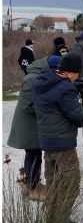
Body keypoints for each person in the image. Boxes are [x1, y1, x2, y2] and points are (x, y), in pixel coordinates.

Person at [31, 53, 83, 223]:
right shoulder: (65, 89)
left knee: (54, 183)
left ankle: (51, 219)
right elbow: (78, 116)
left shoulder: (42, 83)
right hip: (63, 145)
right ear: (71, 73)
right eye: (77, 74)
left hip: (47, 143)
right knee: (70, 183)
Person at [7, 47, 54, 200]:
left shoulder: (34, 77)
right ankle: (33, 188)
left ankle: (31, 185)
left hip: (32, 125)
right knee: (34, 155)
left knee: (33, 154)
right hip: (29, 126)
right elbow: (29, 105)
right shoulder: (32, 79)